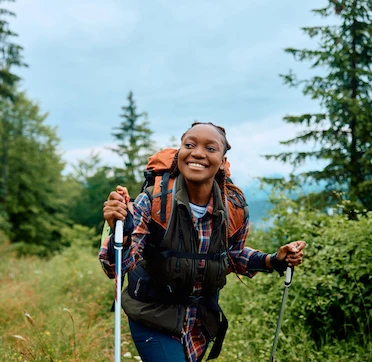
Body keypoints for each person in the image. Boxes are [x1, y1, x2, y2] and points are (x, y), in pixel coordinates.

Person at [99, 122, 306, 362]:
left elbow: (233, 255)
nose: (198, 153)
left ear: (222, 161)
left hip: (199, 322)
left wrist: (273, 260)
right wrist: (120, 230)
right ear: (179, 154)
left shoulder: (233, 206)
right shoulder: (154, 202)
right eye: (189, 145)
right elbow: (114, 267)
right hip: (153, 316)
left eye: (210, 148)